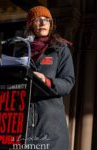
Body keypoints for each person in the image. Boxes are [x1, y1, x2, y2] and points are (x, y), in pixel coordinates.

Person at [16, 6, 75, 150]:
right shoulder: (20, 52)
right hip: (22, 124)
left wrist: (46, 81)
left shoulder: (60, 49)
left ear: (51, 25)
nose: (43, 23)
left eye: (47, 20)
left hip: (51, 127)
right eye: (38, 20)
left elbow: (68, 82)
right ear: (30, 25)